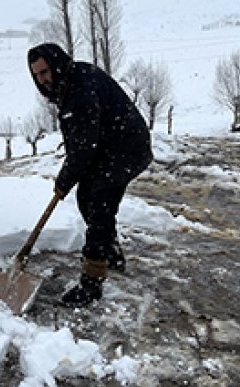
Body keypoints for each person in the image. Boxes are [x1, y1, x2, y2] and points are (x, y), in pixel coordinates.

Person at [27, 43, 153, 308]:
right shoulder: (71, 81)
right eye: (37, 75)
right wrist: (71, 176)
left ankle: (91, 284)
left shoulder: (79, 91)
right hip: (111, 146)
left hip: (125, 149)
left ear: (57, 64)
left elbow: (83, 148)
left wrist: (64, 180)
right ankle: (111, 252)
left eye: (46, 71)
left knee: (99, 206)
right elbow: (81, 143)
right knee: (88, 198)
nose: (43, 79)